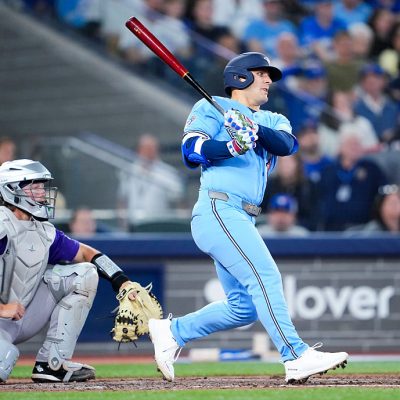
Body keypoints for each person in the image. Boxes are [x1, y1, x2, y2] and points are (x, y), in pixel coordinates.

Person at [148, 52, 348, 384]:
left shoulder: (273, 118)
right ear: (240, 77)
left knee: (243, 307)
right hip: (218, 207)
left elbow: (286, 145)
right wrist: (231, 146)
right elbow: (191, 150)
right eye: (261, 73)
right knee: (266, 277)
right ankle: (295, 355)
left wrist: (250, 127)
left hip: (243, 216)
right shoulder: (210, 106)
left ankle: (172, 332)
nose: (269, 80)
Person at [0, 159, 137, 383]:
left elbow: (86, 254)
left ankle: (52, 364)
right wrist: (2, 307)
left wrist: (120, 280)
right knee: (3, 361)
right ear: (11, 189)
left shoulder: (43, 231)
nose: (42, 193)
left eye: (42, 186)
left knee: (84, 274)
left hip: (21, 317)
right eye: (34, 186)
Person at [117, 133, 185, 231]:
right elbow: (122, 200)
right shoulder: (129, 171)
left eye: (152, 148)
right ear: (139, 150)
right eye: (145, 148)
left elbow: (179, 202)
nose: (149, 152)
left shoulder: (168, 173)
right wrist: (122, 224)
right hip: (133, 224)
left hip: (158, 224)